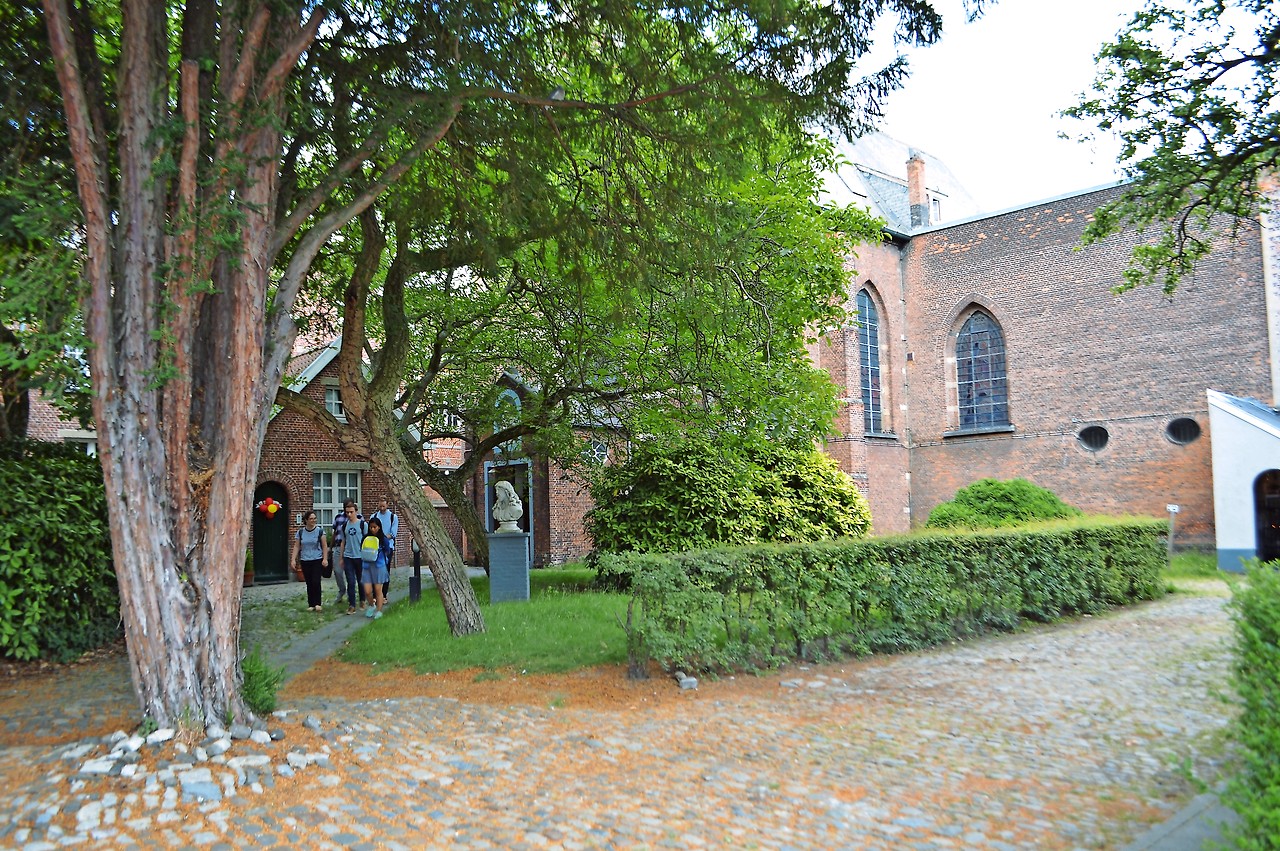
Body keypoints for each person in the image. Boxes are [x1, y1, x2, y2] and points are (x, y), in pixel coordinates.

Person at [292, 510, 329, 612]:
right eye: (311, 519)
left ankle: (318, 603)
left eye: (314, 518)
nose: (313, 520)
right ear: (306, 520)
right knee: (309, 582)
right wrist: (293, 559)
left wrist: (325, 558)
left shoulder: (320, 531)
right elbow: (296, 546)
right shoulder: (301, 532)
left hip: (317, 559)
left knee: (316, 581)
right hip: (305, 559)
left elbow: (325, 546)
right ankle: (311, 604)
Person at [335, 501, 367, 615]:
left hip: (360, 556)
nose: (349, 514)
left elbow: (367, 540)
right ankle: (352, 604)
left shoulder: (363, 524)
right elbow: (343, 541)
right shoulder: (344, 526)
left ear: (356, 511)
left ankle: (362, 600)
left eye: (351, 512)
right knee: (351, 581)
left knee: (361, 580)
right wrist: (341, 557)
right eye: (347, 512)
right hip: (348, 556)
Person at [361, 516, 392, 619]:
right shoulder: (365, 538)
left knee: (378, 590)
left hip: (379, 565)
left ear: (379, 527)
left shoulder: (383, 539)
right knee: (367, 591)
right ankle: (371, 605)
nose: (372, 529)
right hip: (367, 566)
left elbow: (387, 551)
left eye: (374, 527)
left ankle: (379, 610)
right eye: (371, 527)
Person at [371, 497, 398, 598]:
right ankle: (375, 594)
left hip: (387, 547)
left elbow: (393, 533)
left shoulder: (393, 517)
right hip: (375, 547)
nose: (381, 508)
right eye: (380, 506)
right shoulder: (374, 516)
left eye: (383, 506)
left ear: (387, 505)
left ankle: (384, 594)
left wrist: (382, 537)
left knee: (385, 570)